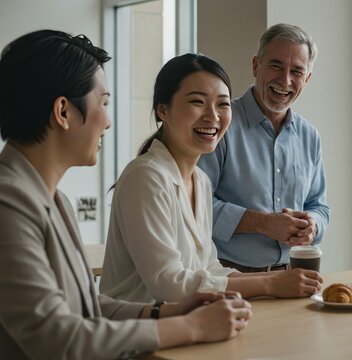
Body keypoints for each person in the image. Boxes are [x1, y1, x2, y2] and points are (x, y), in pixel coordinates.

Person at [0, 30, 252, 359]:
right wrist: (192, 327)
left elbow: (83, 307)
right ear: (64, 112)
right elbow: (55, 337)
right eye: (103, 103)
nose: (107, 121)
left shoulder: (53, 199)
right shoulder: (9, 204)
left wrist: (164, 313)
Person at [100, 53, 323, 303]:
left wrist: (283, 282)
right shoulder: (145, 177)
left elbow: (209, 269)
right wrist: (270, 284)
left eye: (222, 104)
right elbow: (168, 283)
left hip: (189, 328)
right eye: (197, 102)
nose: (213, 116)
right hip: (141, 334)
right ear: (163, 110)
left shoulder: (200, 181)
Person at [197, 23, 331, 272]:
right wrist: (262, 223)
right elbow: (195, 205)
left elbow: (319, 206)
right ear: (256, 66)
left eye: (297, 72)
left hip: (296, 276)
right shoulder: (220, 125)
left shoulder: (309, 135)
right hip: (230, 279)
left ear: (307, 79)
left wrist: (314, 225)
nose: (285, 80)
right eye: (276, 66)